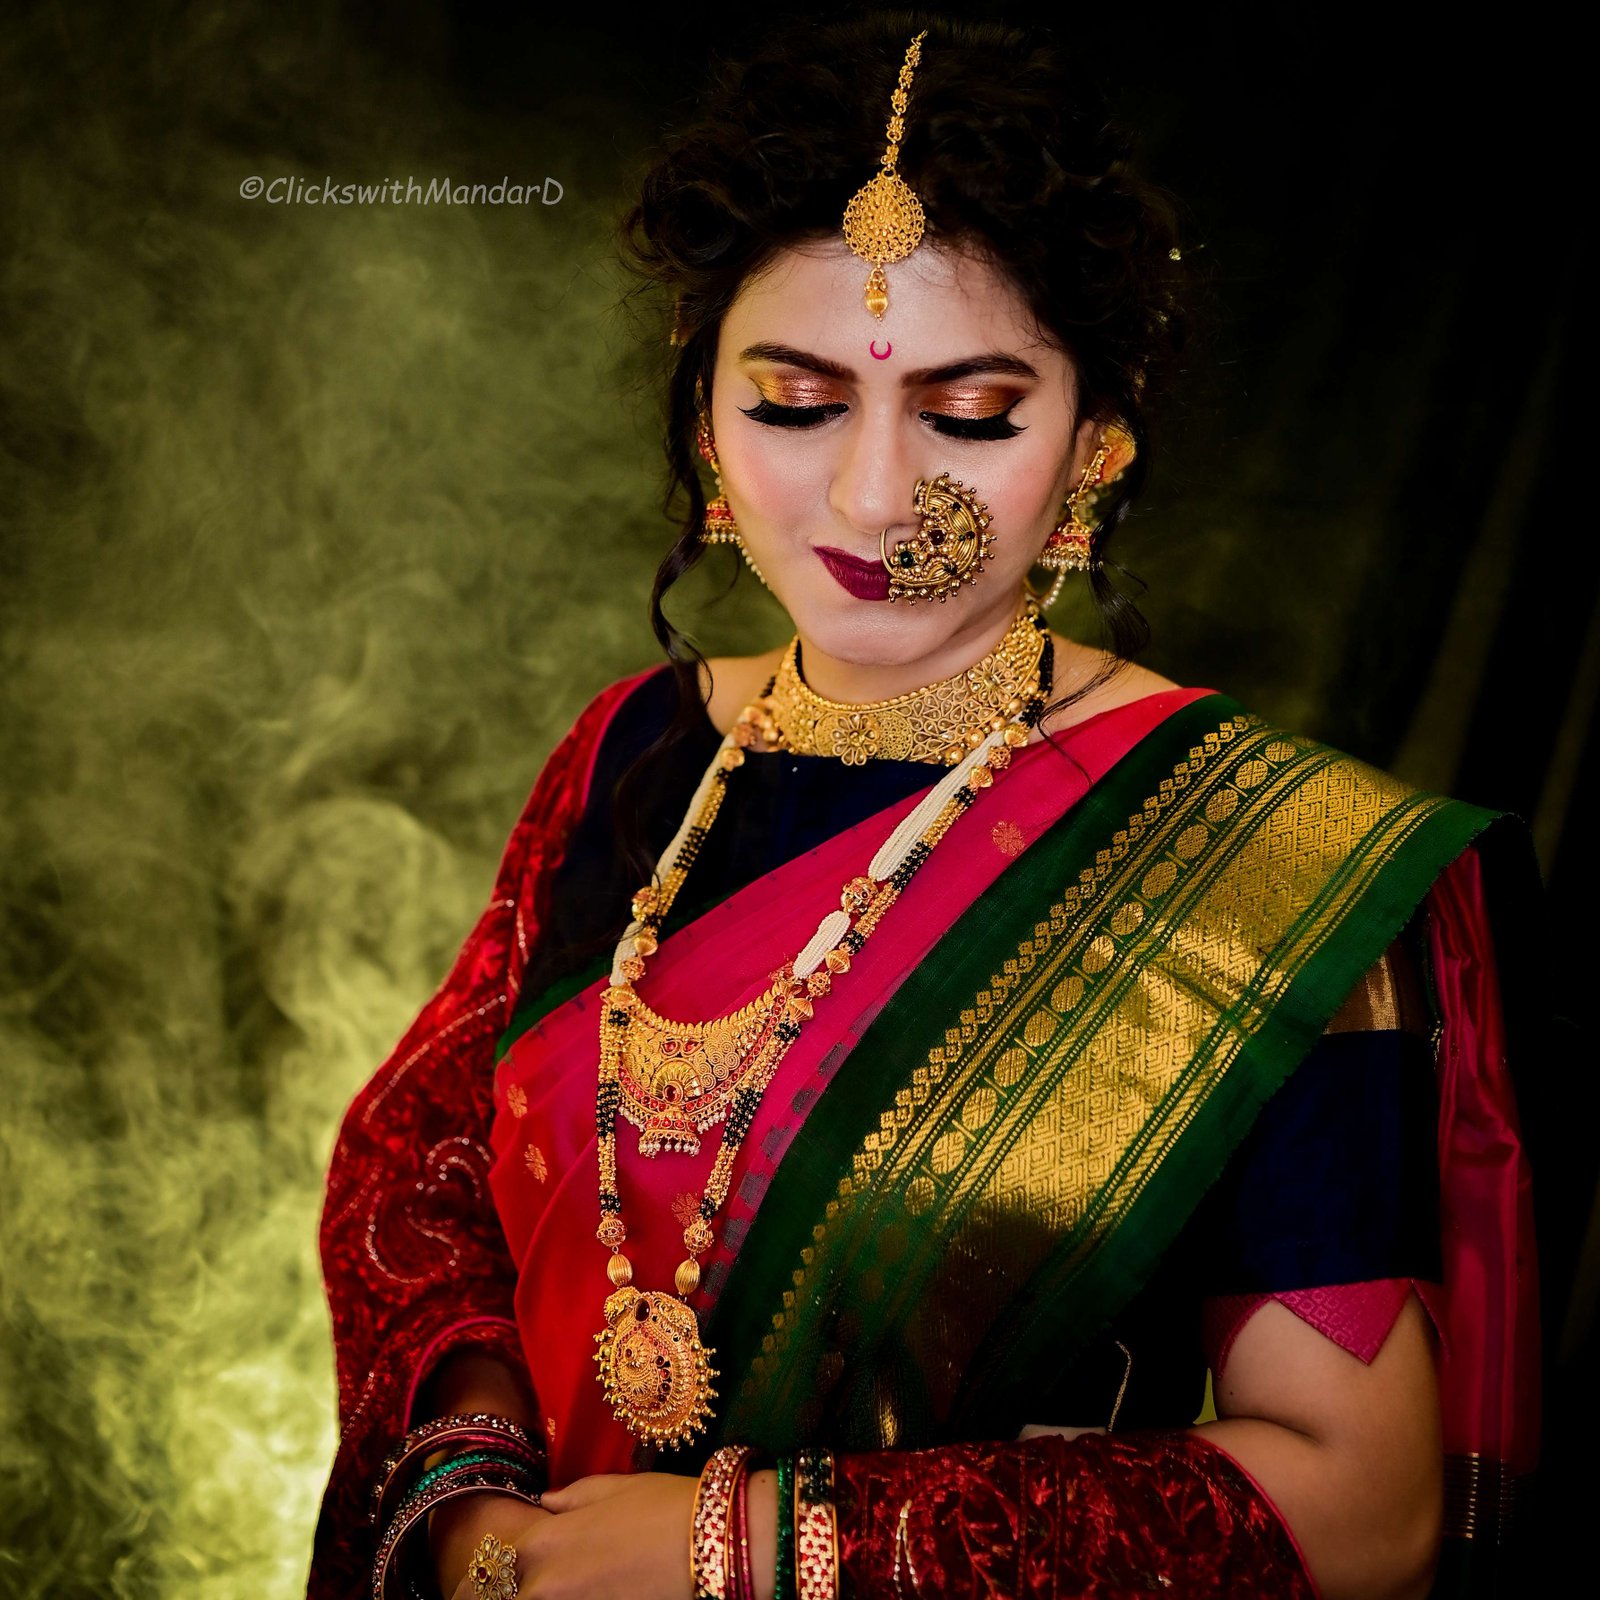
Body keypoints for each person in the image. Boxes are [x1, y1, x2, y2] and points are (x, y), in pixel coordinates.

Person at [308, 13, 1544, 1599]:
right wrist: (474, 1506)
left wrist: (737, 1549)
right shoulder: (632, 751)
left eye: (970, 415)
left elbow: (1363, 1508)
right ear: (704, 420)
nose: (877, 496)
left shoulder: (1262, 861)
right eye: (794, 402)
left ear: (1096, 439)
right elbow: (424, 1169)